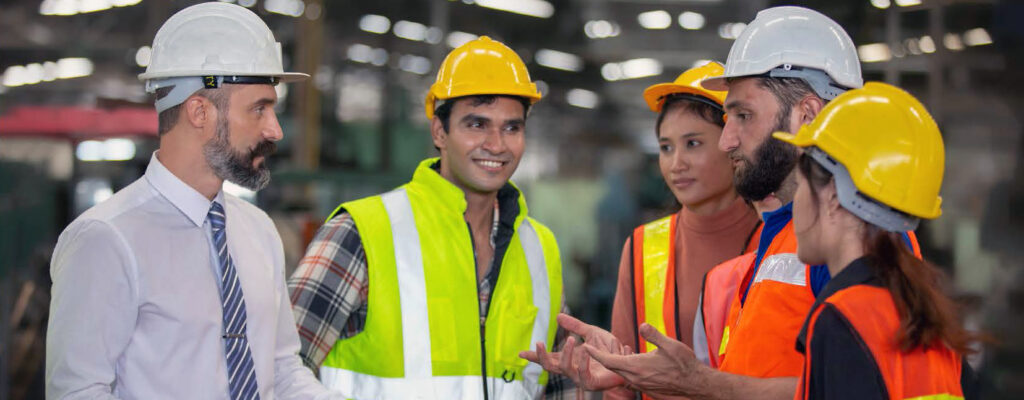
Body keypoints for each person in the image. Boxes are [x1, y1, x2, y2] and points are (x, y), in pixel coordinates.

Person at [522, 6, 919, 399]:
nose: (727, 141)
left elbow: (866, 388)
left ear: (809, 116)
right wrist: (634, 372)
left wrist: (698, 382)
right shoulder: (780, 237)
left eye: (743, 115)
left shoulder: (859, 235)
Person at [46, 3, 339, 399]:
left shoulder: (257, 230)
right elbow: (77, 392)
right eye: (259, 109)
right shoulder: (105, 239)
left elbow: (282, 369)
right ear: (199, 112)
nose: (275, 130)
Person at [287, 36, 574, 399]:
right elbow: (280, 370)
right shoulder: (362, 233)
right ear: (440, 131)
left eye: (512, 127)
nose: (497, 144)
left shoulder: (540, 249)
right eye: (477, 124)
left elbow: (562, 383)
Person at [776, 82, 976, 399]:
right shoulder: (931, 317)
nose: (795, 203)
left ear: (833, 197)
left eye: (800, 185)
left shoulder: (842, 318)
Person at [606, 62, 761, 400]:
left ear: (733, 142)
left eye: (693, 144)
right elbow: (619, 380)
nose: (676, 164)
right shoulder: (643, 246)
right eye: (666, 147)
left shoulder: (780, 243)